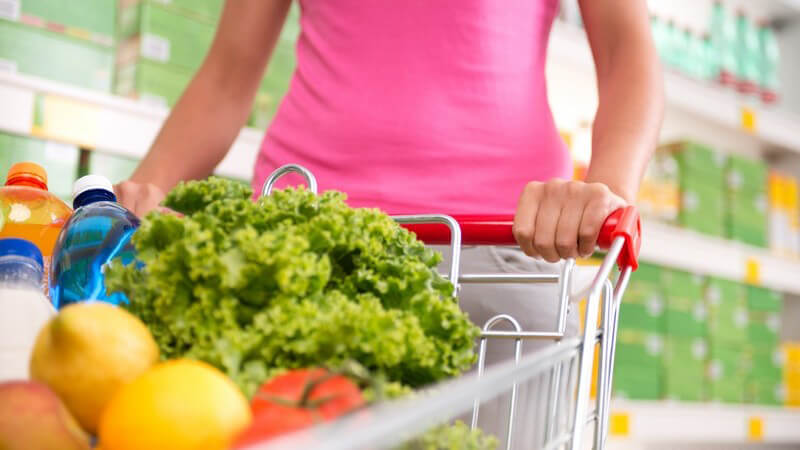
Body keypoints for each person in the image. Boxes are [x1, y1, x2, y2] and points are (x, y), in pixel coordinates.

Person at [117, 0, 663, 447]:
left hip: (505, 245)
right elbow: (227, 73)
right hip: (304, 244)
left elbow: (626, 52)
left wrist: (607, 190)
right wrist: (148, 187)